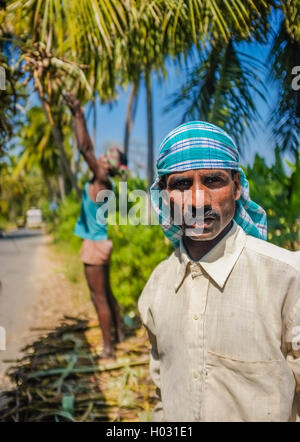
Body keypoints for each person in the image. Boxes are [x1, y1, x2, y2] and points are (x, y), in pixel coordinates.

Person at [138, 121, 300, 422]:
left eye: (213, 180)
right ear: (163, 194)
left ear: (237, 187)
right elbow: (163, 391)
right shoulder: (157, 287)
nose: (198, 200)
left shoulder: (288, 278)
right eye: (182, 184)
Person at [64, 92, 125, 359]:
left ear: (110, 166)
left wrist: (78, 113)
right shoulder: (105, 182)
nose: (101, 156)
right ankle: (120, 333)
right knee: (107, 294)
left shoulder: (101, 179)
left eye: (107, 156)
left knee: (98, 297)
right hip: (102, 242)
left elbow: (84, 148)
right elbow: (89, 150)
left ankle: (108, 349)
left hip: (95, 246)